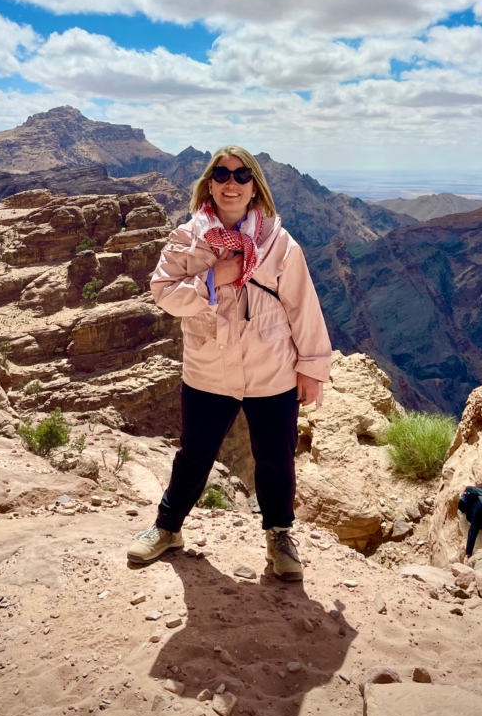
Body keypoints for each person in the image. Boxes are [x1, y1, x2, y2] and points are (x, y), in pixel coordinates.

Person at [127, 145, 332, 581]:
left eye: (241, 176)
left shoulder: (279, 243)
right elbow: (163, 292)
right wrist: (214, 279)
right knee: (194, 453)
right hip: (208, 367)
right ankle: (167, 528)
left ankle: (279, 535)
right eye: (221, 174)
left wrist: (312, 366)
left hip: (271, 367)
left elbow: (302, 306)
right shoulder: (188, 238)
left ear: (255, 187)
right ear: (209, 184)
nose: (231, 183)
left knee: (275, 457)